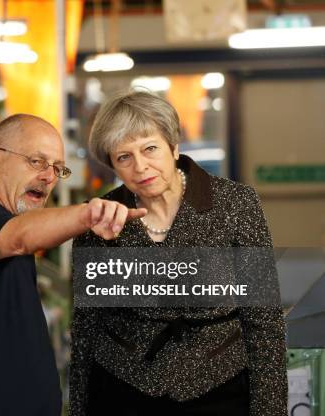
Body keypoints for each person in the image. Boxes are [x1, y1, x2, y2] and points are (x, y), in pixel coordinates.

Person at [70, 91, 287, 416]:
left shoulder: (236, 204)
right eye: (123, 157)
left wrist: (270, 410)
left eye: (150, 148)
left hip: (220, 388)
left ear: (173, 146)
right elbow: (86, 326)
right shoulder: (98, 218)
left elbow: (264, 320)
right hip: (124, 389)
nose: (140, 166)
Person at [0, 114, 146, 416]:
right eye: (36, 161)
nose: (49, 177)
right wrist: (89, 214)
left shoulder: (5, 228)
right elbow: (21, 237)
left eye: (57, 168)